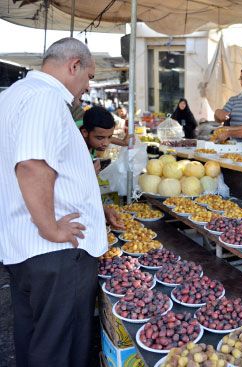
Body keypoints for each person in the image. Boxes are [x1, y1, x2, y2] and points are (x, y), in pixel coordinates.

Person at [0, 37, 122, 367]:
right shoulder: (44, 98)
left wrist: (97, 209)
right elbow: (31, 165)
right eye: (90, 76)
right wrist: (52, 229)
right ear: (73, 66)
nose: (87, 85)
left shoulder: (13, 96)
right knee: (61, 347)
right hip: (55, 254)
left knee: (37, 340)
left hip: (26, 250)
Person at [214, 67, 242, 152]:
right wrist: (218, 113)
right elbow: (219, 119)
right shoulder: (233, 100)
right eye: (241, 78)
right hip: (234, 148)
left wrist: (228, 131)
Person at [81, 106, 117, 173]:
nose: (106, 143)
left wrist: (123, 142)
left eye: (109, 137)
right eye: (100, 138)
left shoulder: (86, 128)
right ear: (85, 132)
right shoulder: (76, 150)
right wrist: (89, 173)